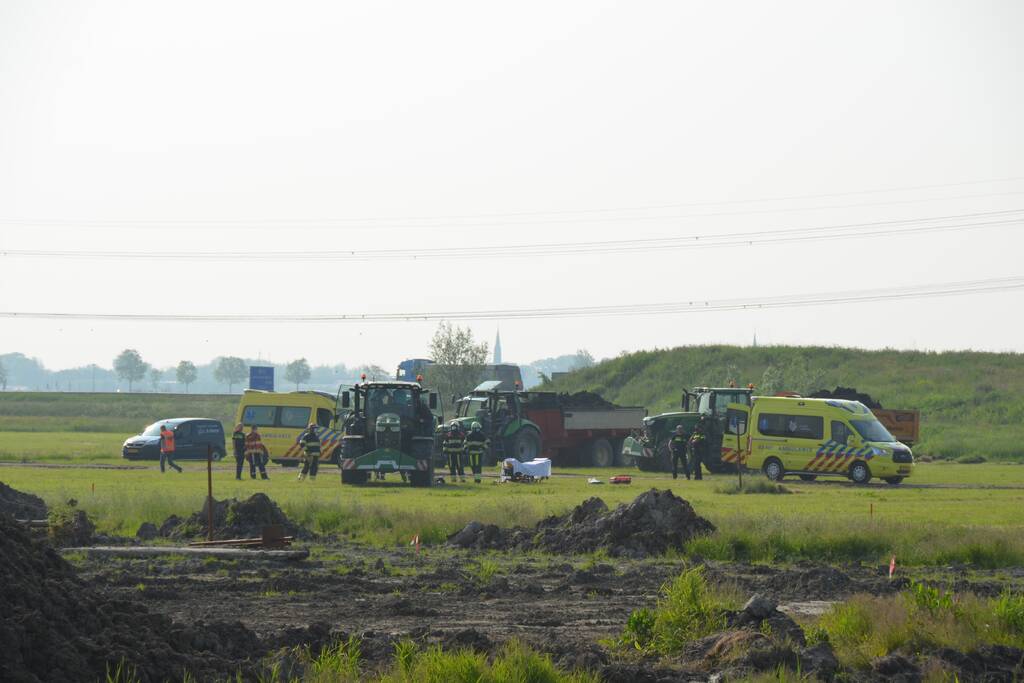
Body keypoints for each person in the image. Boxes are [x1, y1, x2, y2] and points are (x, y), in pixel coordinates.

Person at [688, 414, 709, 481]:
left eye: (698, 428)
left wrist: (694, 441)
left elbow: (699, 440)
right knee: (696, 464)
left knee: (697, 464)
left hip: (700, 451)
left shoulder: (702, 434)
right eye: (696, 428)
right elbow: (690, 441)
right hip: (695, 451)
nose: (696, 429)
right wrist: (692, 441)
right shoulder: (695, 434)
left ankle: (698, 477)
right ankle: (697, 477)